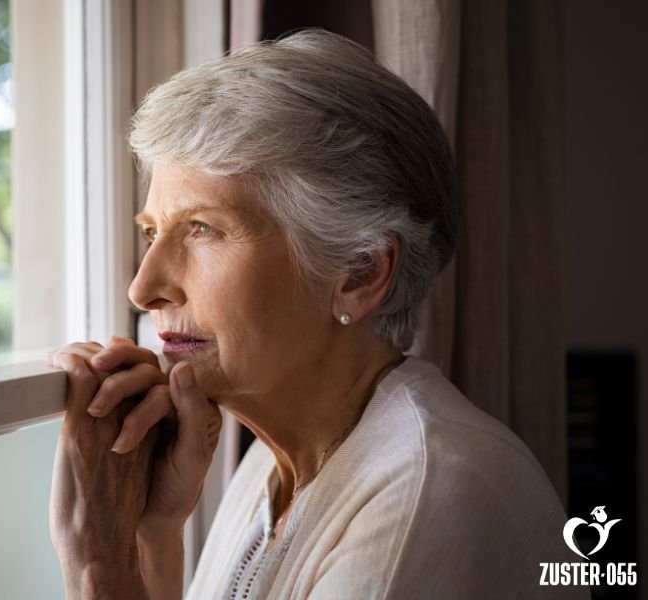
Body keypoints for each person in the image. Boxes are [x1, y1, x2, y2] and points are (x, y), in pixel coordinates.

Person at [47, 29, 586, 599]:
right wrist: (154, 534)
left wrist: (98, 567)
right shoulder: (269, 469)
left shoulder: (428, 490)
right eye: (152, 232)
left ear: (359, 273)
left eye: (202, 230)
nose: (143, 288)